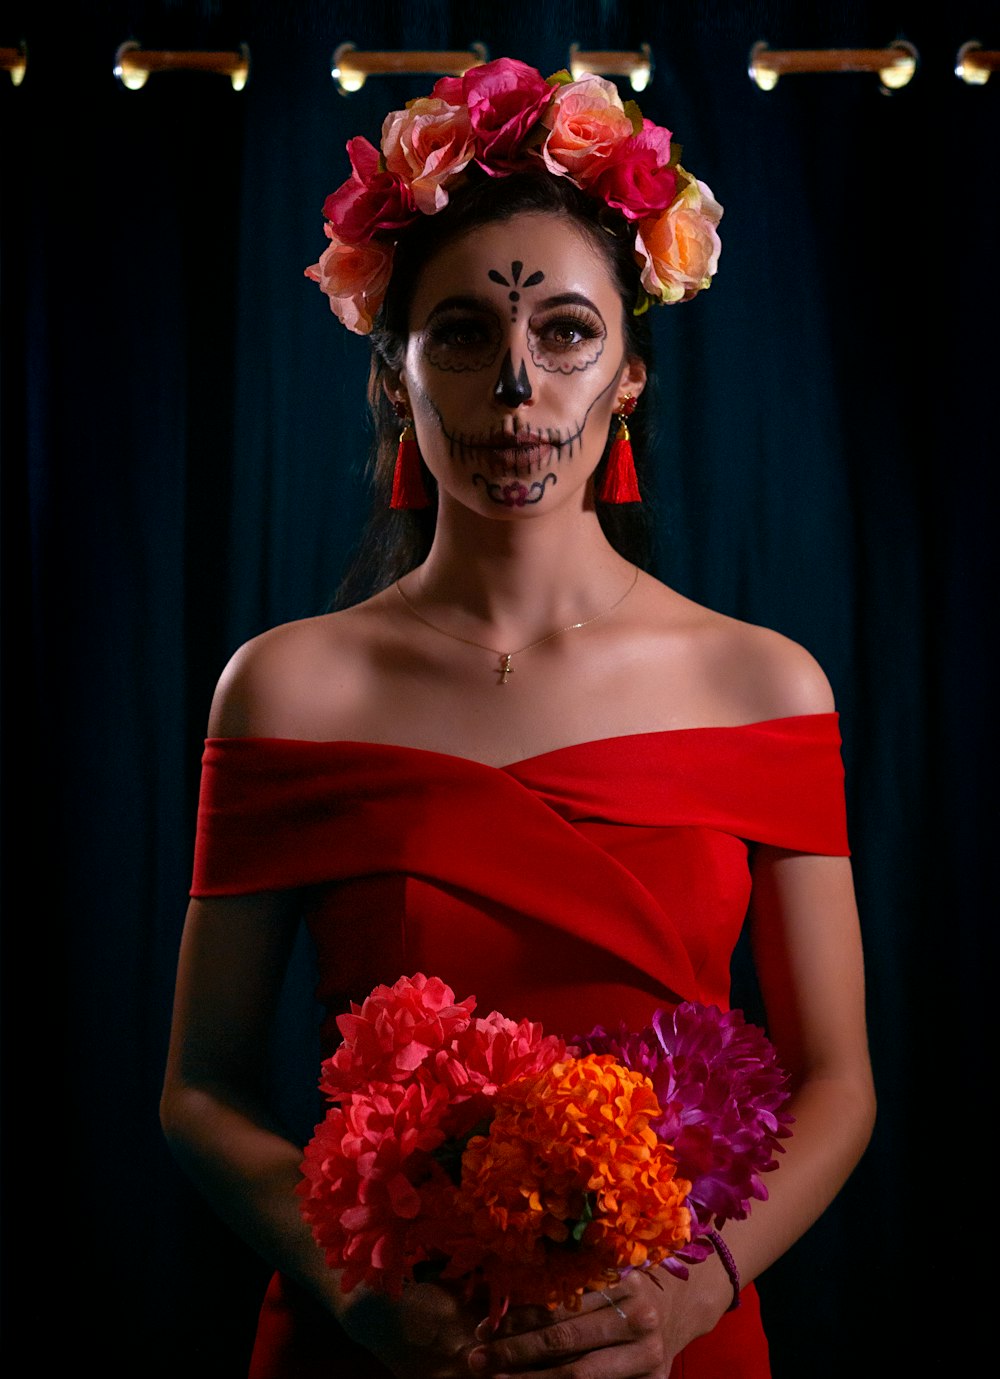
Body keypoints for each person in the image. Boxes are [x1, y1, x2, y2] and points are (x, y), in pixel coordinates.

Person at [160, 57, 876, 1379]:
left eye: (564, 331)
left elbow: (840, 1083)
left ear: (631, 377)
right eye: (465, 337)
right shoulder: (289, 687)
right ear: (397, 378)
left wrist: (692, 1297)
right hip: (373, 1337)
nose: (515, 388)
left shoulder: (763, 685)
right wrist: (352, 1282)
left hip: (670, 1330)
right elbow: (198, 1091)